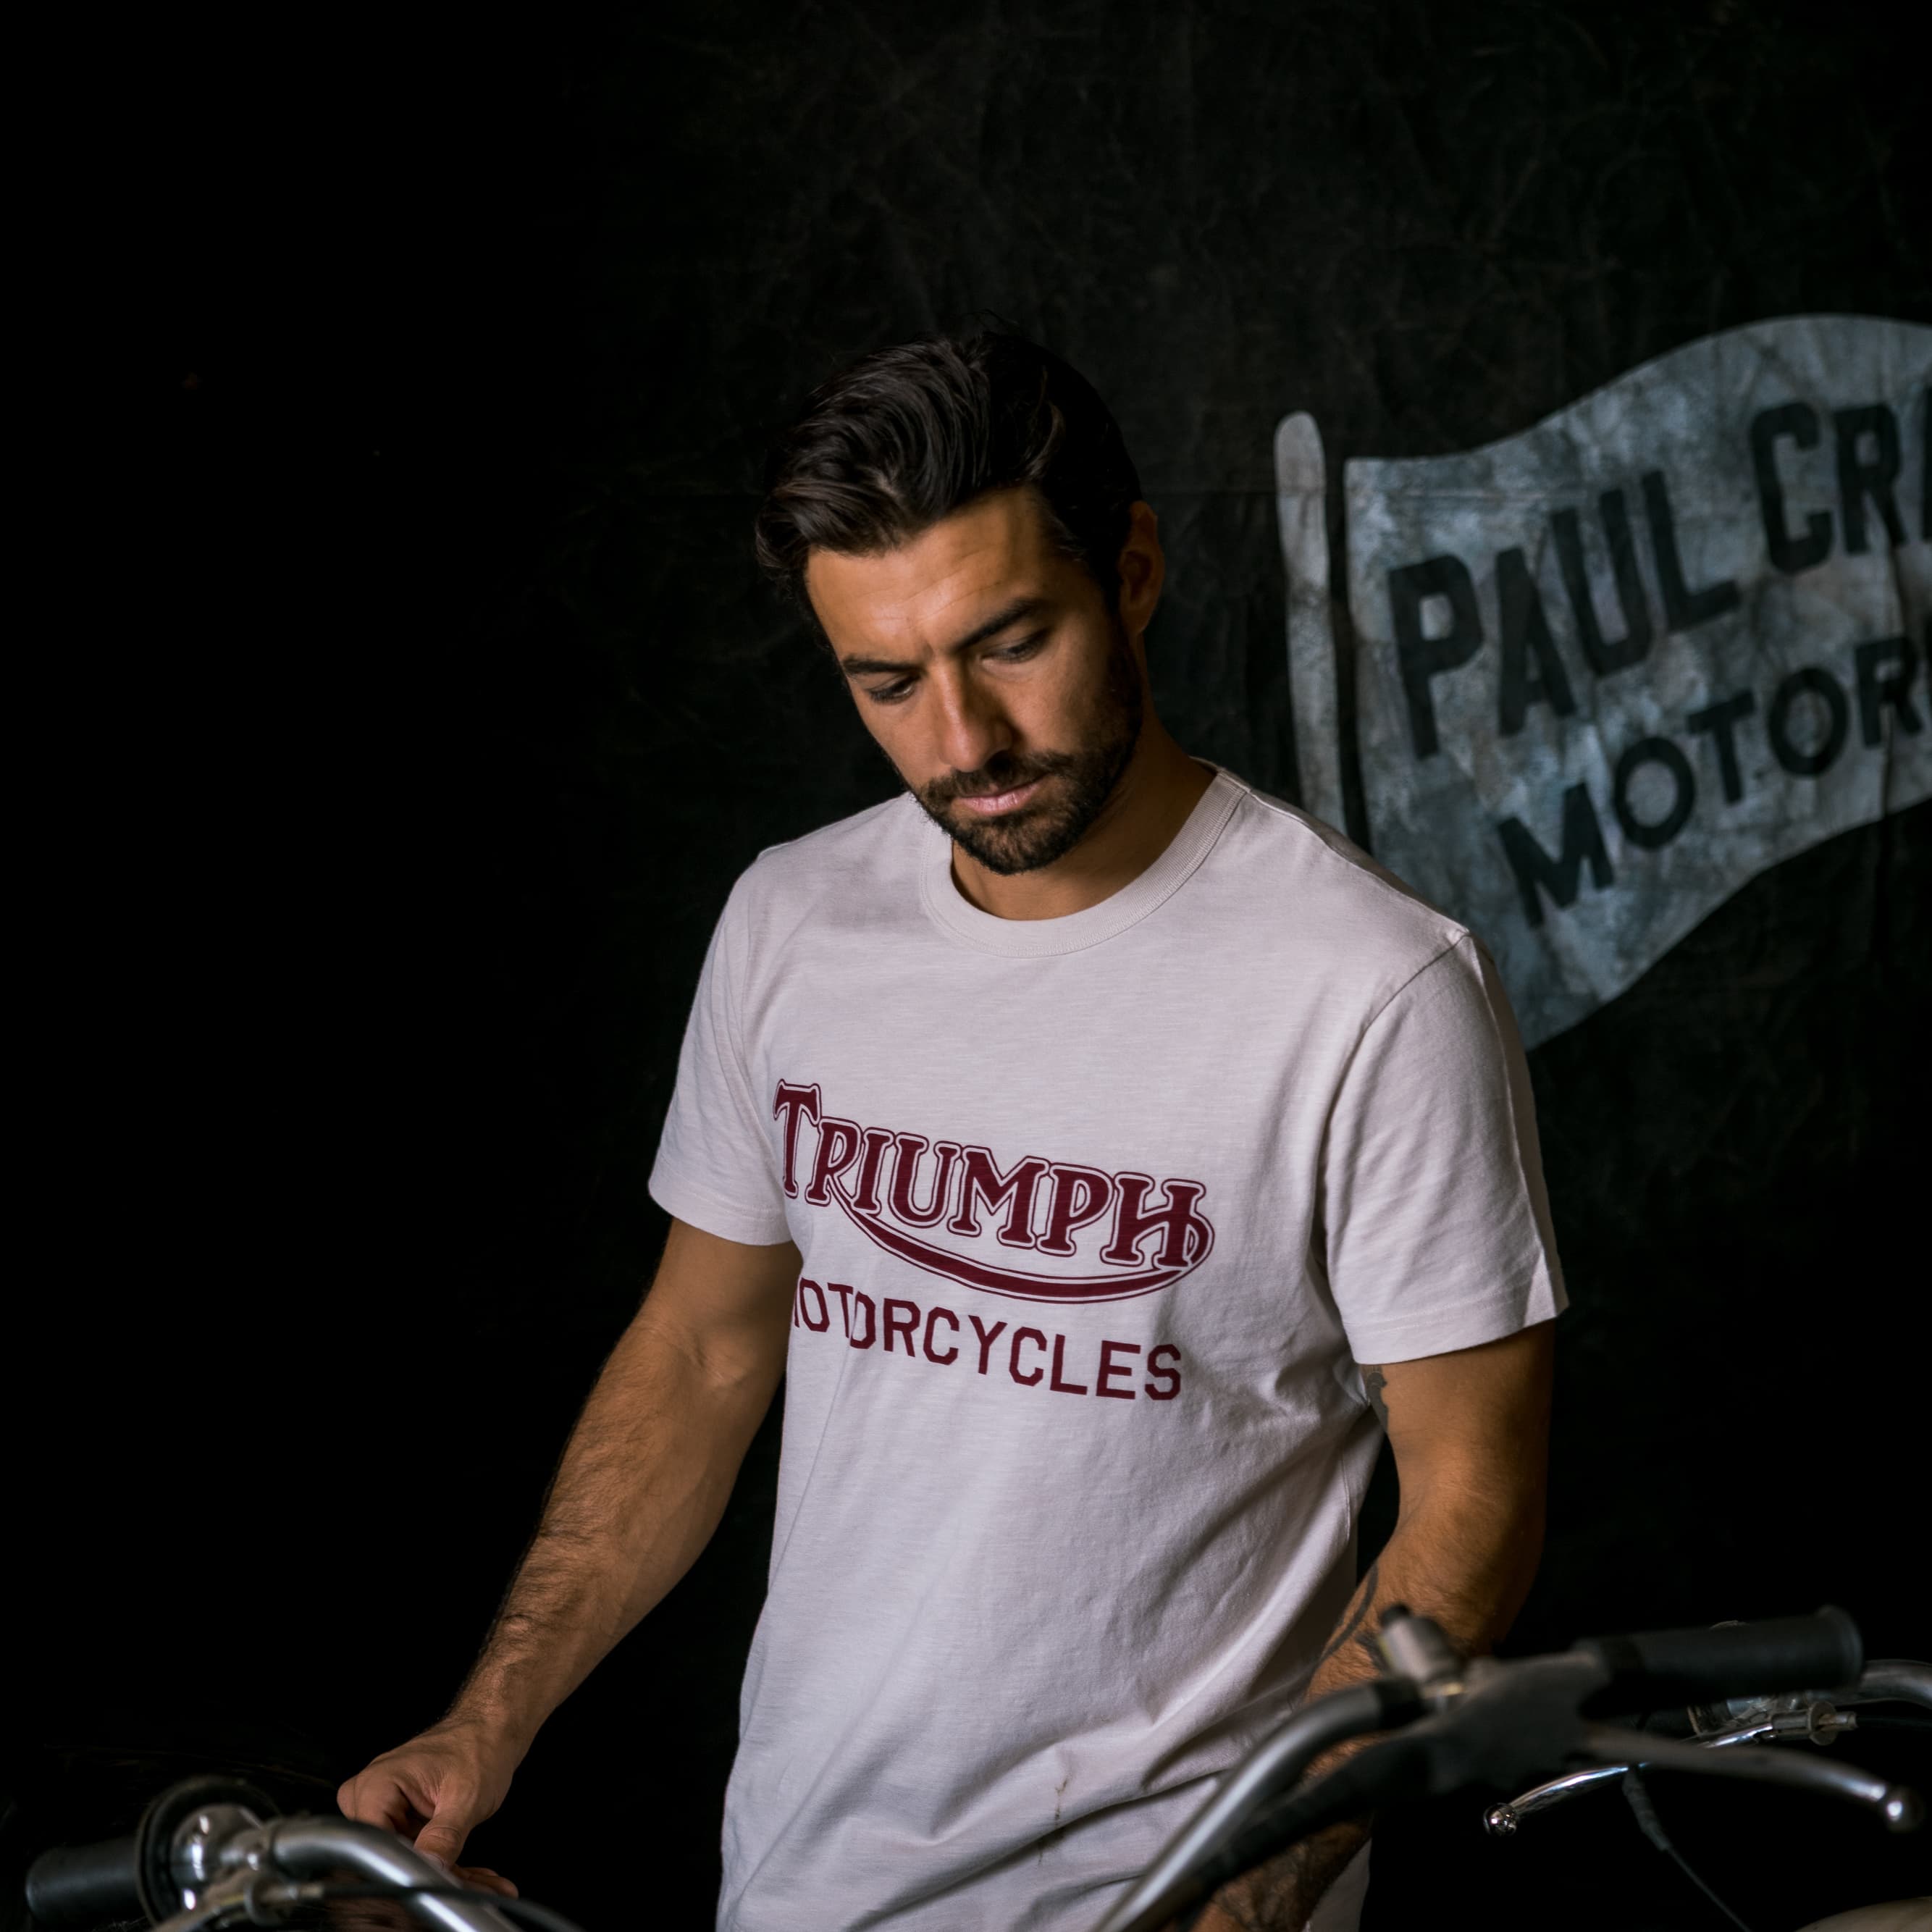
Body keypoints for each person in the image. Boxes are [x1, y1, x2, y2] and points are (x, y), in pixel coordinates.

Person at [340, 332, 1563, 1931]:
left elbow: (1470, 1503)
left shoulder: (1370, 986)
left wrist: (1244, 1903)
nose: (961, 741)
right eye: (887, 681)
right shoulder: (790, 919)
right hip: (800, 1878)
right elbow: (703, 1354)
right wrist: (489, 1714)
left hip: (1165, 1898)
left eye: (1009, 642)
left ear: (1130, 570)